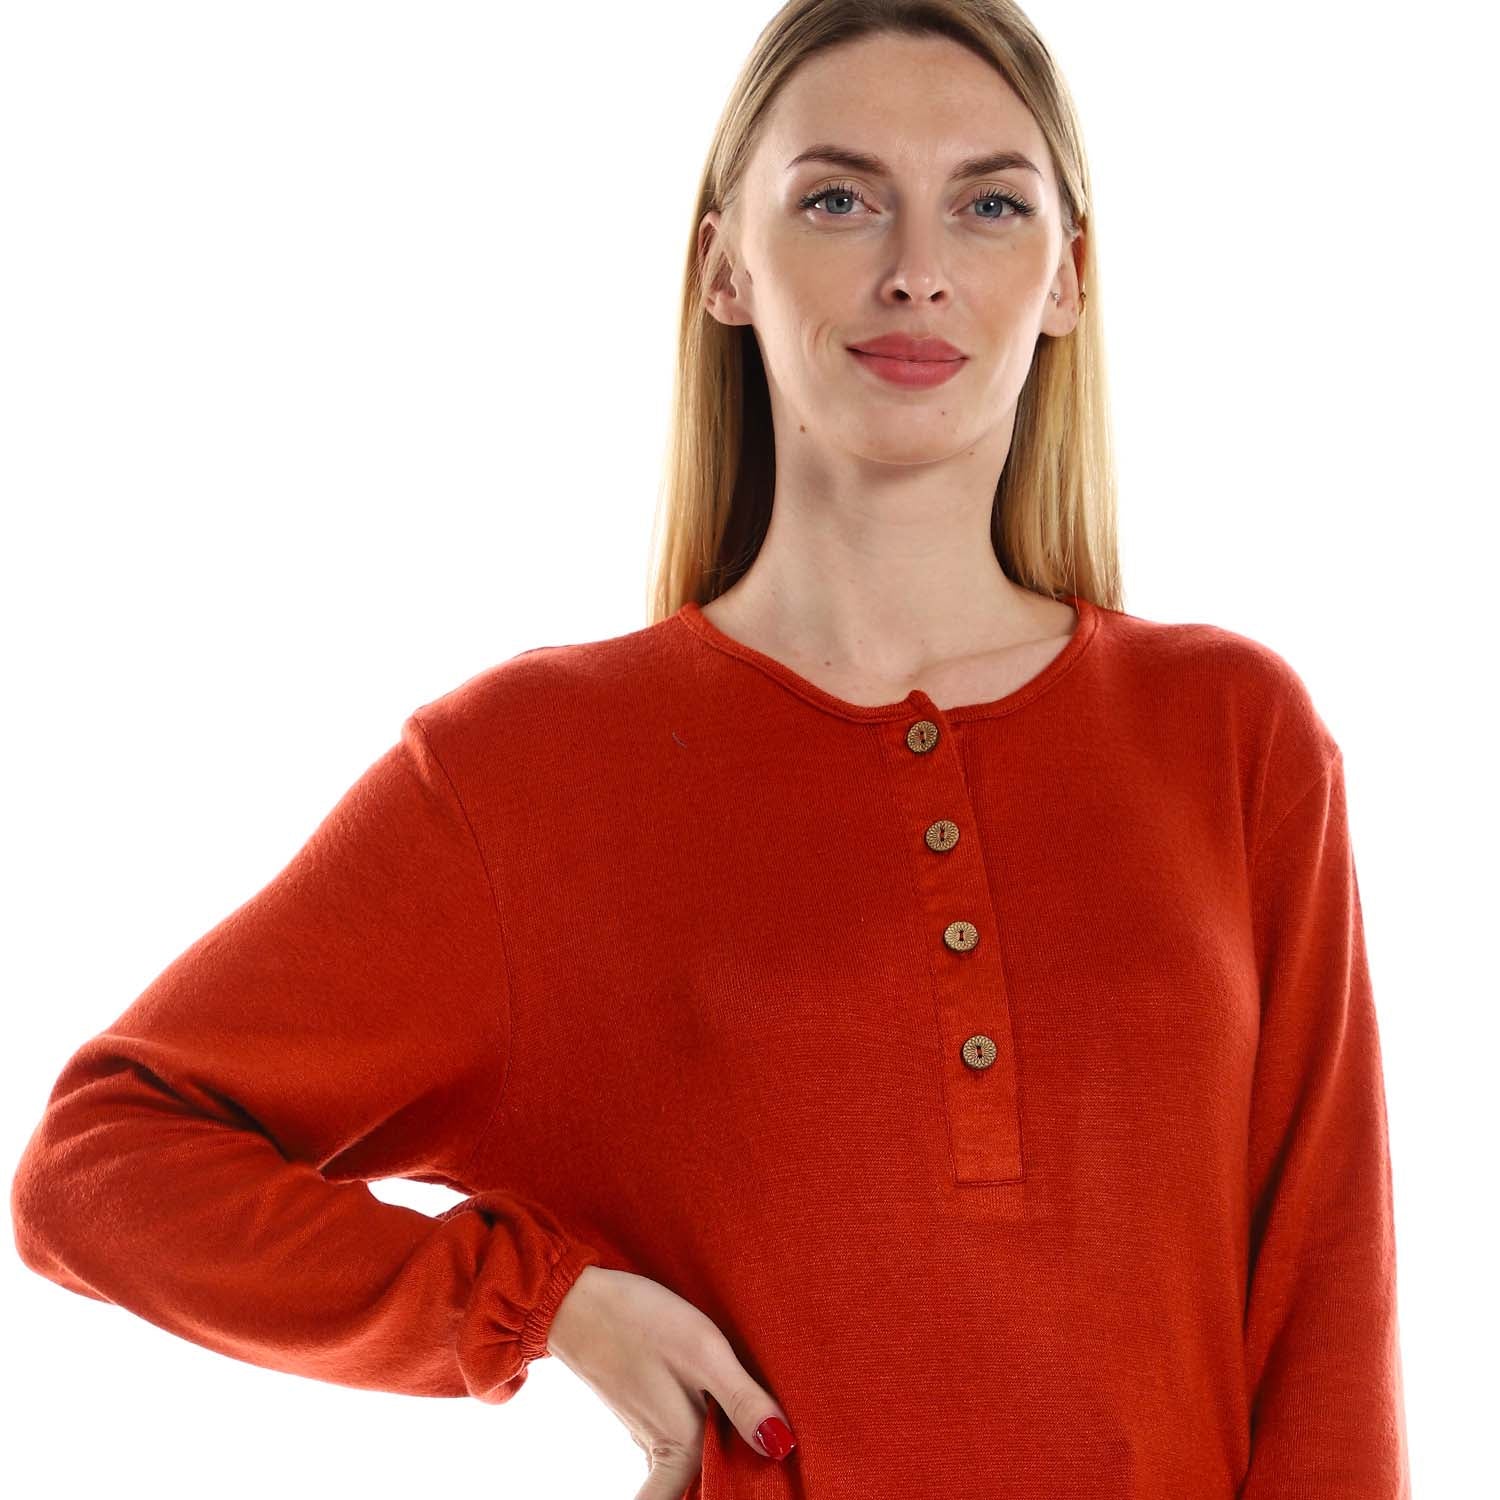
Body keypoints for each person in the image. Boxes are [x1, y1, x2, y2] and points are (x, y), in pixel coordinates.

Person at [10, 2, 1412, 1497]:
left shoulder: (1231, 735)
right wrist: (537, 1304)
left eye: (990, 203)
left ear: (1070, 277)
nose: (916, 267)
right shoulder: (535, 771)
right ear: (722, 266)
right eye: (838, 199)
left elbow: (1328, 1334)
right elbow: (102, 1168)